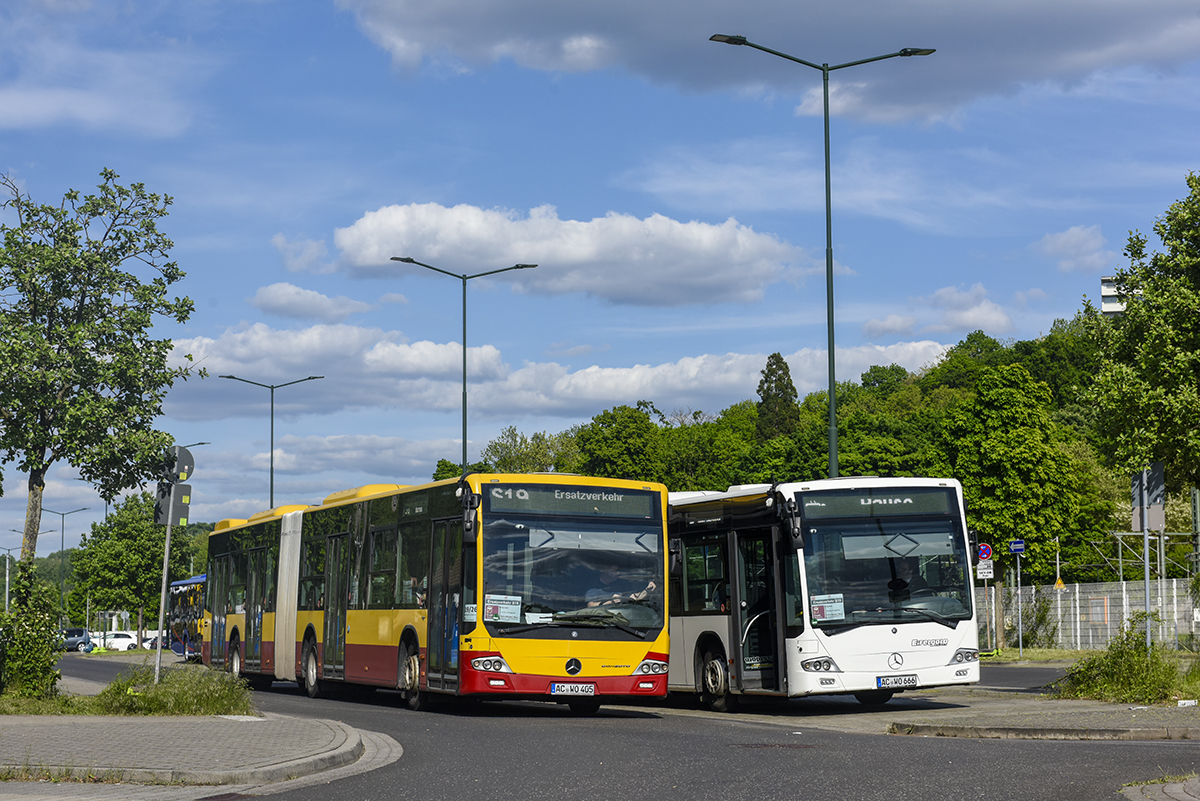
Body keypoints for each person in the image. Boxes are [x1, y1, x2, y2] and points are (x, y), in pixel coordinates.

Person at [585, 567, 656, 607]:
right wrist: (611, 601)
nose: (618, 573)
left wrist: (647, 590)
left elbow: (635, 597)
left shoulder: (622, 586)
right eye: (615, 571)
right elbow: (591, 606)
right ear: (605, 571)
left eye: (619, 571)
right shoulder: (593, 588)